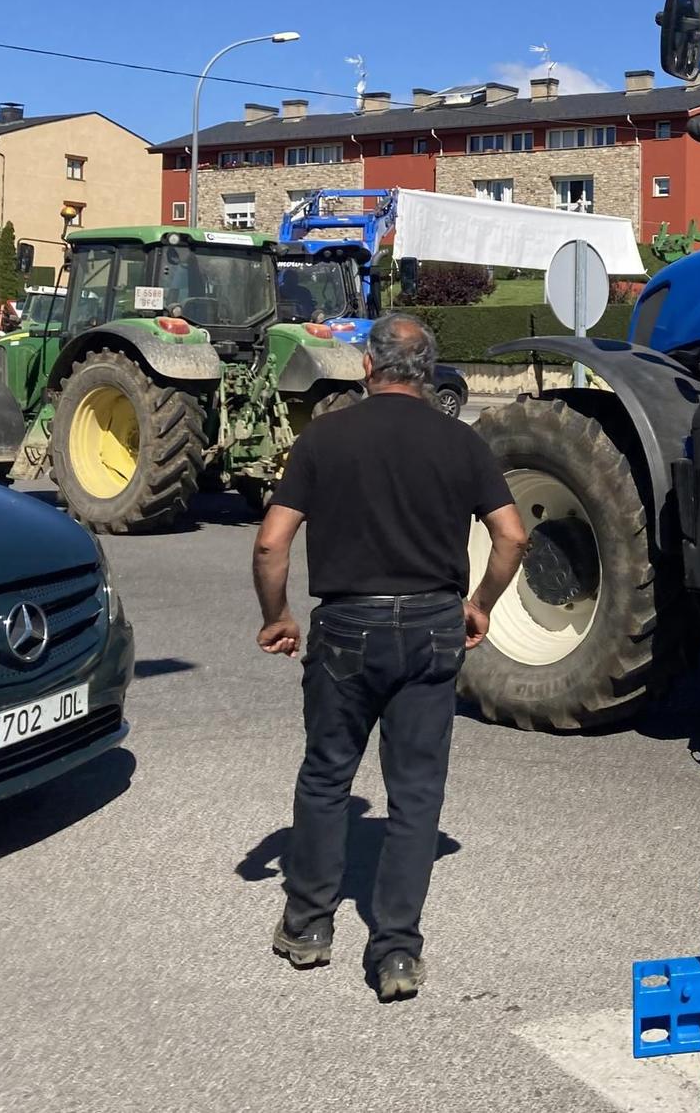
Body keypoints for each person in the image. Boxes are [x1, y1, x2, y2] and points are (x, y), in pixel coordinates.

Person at [252, 312, 528, 1002]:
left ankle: (309, 926)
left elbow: (270, 542)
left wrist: (277, 616)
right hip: (434, 626)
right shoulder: (459, 443)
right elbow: (512, 537)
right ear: (428, 371)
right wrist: (482, 603)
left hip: (346, 626)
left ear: (367, 368)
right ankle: (397, 953)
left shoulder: (326, 436)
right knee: (415, 795)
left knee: (325, 776)